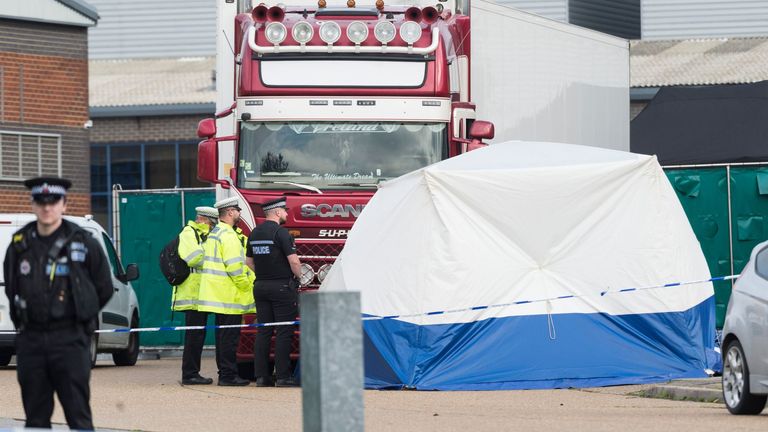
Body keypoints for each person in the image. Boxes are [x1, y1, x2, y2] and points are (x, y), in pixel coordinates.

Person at [2, 177, 113, 430]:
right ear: (33, 204)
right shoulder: (20, 244)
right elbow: (12, 287)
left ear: (64, 204)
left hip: (70, 340)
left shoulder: (84, 242)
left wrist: (83, 316)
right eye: (41, 202)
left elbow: (104, 287)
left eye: (53, 202)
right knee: (36, 417)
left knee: (78, 415)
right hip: (31, 340)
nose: (47, 208)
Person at [197, 197, 255, 386]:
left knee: (222, 338)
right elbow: (234, 268)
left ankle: (225, 374)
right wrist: (247, 285)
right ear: (230, 212)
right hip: (228, 295)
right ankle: (228, 376)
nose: (239, 213)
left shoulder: (215, 233)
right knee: (229, 339)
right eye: (238, 210)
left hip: (217, 294)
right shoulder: (229, 235)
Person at [246, 197, 302, 387]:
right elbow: (294, 261)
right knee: (284, 331)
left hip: (260, 286)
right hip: (281, 287)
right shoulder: (281, 233)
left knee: (264, 331)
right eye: (285, 211)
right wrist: (299, 277)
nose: (287, 213)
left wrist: (264, 275)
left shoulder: (254, 233)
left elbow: (249, 262)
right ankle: (284, 377)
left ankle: (262, 377)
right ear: (277, 212)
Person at [174, 206, 219, 385]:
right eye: (213, 223)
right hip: (192, 294)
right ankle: (190, 374)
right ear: (206, 220)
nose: (214, 226)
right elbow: (193, 258)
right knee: (194, 336)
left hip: (201, 293)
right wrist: (214, 260)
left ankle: (193, 373)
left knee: (198, 335)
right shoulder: (189, 232)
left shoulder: (203, 235)